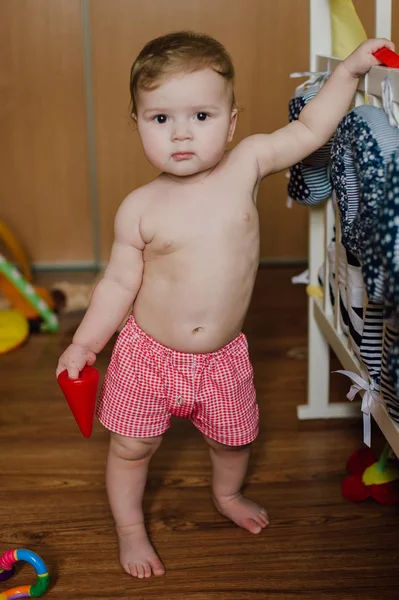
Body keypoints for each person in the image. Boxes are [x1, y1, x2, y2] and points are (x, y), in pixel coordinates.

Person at [56, 31, 394, 579]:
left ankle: (228, 494)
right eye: (160, 118)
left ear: (232, 123)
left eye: (202, 116)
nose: (181, 133)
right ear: (137, 122)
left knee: (233, 440)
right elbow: (118, 284)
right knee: (131, 448)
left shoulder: (246, 165)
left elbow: (310, 130)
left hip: (223, 357)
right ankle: (130, 529)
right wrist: (86, 342)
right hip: (148, 356)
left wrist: (351, 71)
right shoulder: (139, 208)